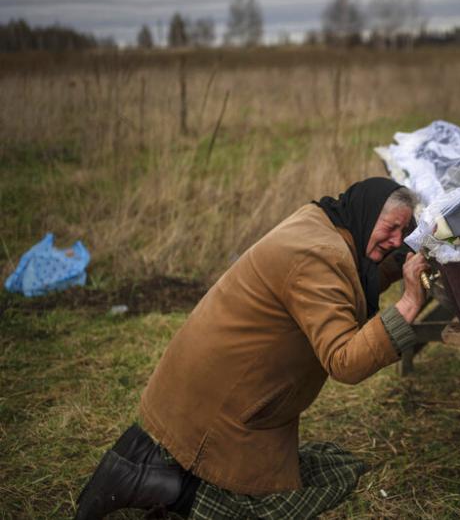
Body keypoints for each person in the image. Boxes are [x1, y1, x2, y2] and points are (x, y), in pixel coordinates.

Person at [74, 178, 430, 519]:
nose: (396, 241)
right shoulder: (322, 257)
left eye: (404, 233)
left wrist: (400, 264)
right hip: (225, 406)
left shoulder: (320, 222)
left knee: (330, 465)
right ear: (368, 213)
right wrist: (410, 302)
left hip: (201, 389)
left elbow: (350, 284)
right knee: (283, 503)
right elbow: (345, 362)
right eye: (390, 229)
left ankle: (145, 459)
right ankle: (164, 487)